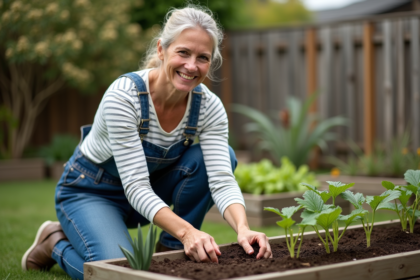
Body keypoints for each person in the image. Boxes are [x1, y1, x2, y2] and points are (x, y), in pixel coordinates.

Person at [22, 5, 272, 279]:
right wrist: (189, 230)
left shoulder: (208, 107)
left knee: (222, 155)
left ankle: (172, 250)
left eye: (202, 57)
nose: (191, 66)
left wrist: (243, 228)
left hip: (148, 195)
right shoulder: (124, 97)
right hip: (91, 191)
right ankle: (53, 243)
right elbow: (135, 185)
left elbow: (221, 179)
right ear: (162, 50)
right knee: (121, 273)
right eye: (183, 52)